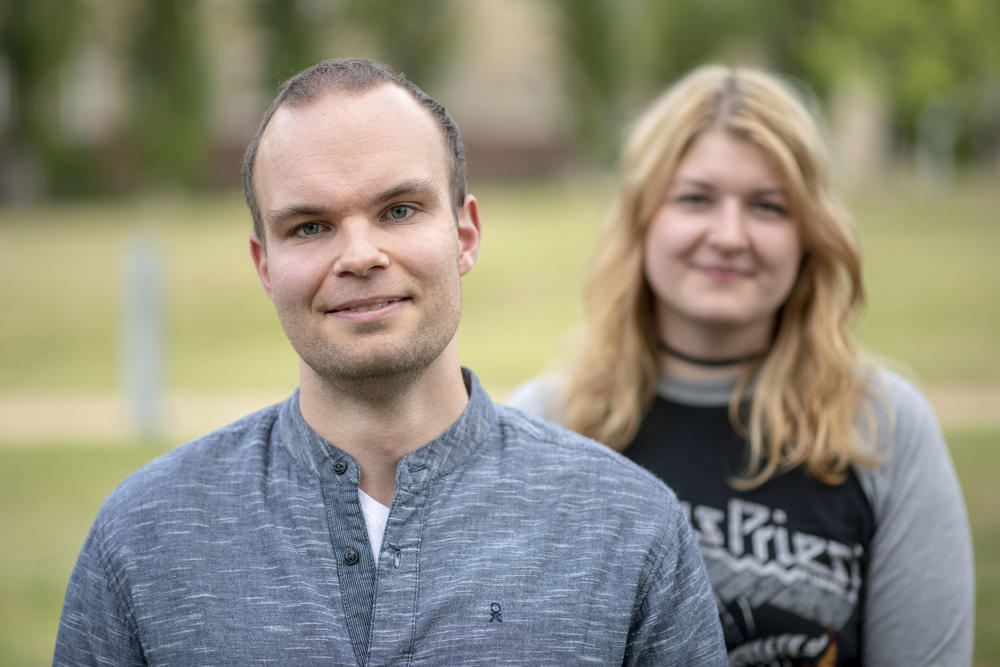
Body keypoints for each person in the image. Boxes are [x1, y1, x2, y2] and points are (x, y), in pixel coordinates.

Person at [53, 58, 726, 665]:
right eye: (310, 226)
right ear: (265, 265)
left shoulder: (627, 527)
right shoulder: (145, 537)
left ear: (464, 235)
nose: (360, 255)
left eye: (399, 209)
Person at [508, 64, 974, 666]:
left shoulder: (882, 430)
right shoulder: (545, 427)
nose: (729, 236)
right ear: (642, 221)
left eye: (767, 206)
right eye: (696, 199)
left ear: (809, 234)